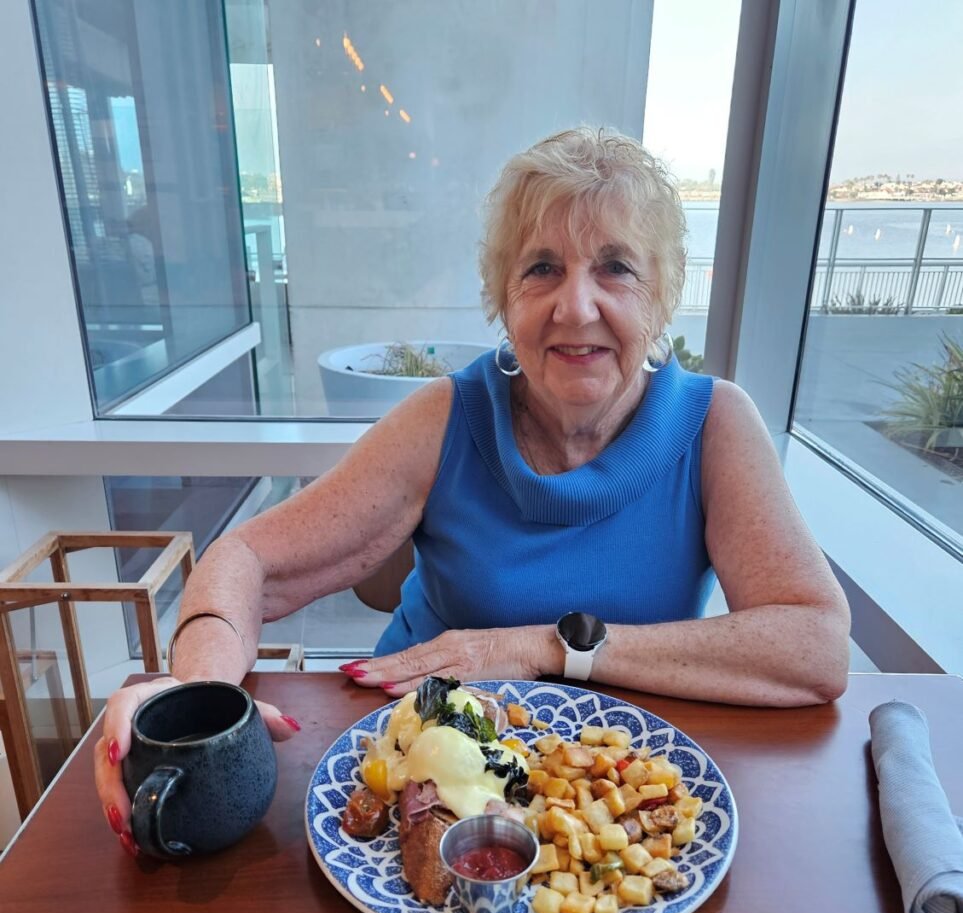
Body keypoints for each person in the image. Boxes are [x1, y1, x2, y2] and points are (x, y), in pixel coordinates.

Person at [95, 127, 850, 855]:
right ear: (502, 298)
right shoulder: (445, 414)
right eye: (541, 268)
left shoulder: (713, 422)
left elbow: (812, 648)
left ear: (661, 298)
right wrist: (193, 707)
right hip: (415, 769)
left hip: (616, 788)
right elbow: (247, 557)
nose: (575, 307)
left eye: (616, 267)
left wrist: (541, 649)